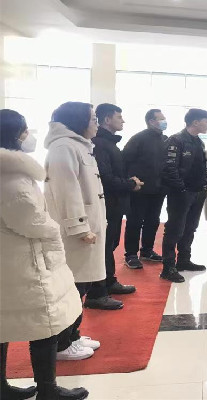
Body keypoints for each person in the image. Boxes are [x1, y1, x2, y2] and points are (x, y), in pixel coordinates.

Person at [0, 109, 89, 400]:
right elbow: (31, 222)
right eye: (25, 130)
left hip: (9, 261)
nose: (29, 136)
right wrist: (54, 227)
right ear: (14, 135)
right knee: (45, 325)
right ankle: (48, 390)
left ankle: (2, 388)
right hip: (26, 263)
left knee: (5, 324)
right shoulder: (12, 179)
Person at [45, 102, 106, 361]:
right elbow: (66, 190)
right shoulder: (63, 147)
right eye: (93, 119)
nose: (96, 124)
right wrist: (79, 227)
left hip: (88, 226)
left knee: (83, 283)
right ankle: (62, 344)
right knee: (73, 287)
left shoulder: (80, 145)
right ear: (78, 120)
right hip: (76, 233)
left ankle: (73, 335)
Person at [87, 103, 138, 308]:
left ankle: (108, 282)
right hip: (106, 203)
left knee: (110, 245)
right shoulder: (99, 144)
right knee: (103, 246)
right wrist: (130, 184)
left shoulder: (109, 143)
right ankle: (96, 292)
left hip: (114, 203)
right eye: (119, 117)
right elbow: (105, 178)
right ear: (107, 120)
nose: (123, 120)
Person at [160, 109, 207, 283]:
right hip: (181, 193)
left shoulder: (198, 142)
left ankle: (183, 260)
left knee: (190, 227)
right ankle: (168, 267)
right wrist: (181, 188)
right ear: (195, 122)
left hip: (198, 191)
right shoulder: (176, 140)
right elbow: (169, 168)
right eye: (206, 121)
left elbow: (201, 166)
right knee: (175, 229)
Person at [122, 109, 169, 269]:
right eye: (161, 119)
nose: (164, 121)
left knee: (153, 221)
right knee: (135, 221)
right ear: (151, 121)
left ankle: (147, 250)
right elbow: (124, 160)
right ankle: (131, 254)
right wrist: (131, 181)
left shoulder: (165, 139)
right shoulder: (138, 139)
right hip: (139, 189)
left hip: (158, 189)